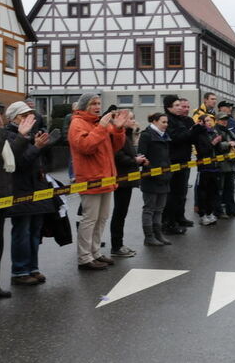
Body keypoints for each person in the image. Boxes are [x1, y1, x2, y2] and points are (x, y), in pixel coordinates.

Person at [69, 94, 128, 270]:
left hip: (106, 177)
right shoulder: (77, 123)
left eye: (98, 103)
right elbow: (86, 147)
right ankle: (84, 257)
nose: (97, 106)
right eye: (93, 103)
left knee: (101, 218)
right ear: (84, 106)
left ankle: (95, 252)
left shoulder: (98, 123)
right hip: (90, 179)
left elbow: (115, 147)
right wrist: (102, 127)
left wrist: (117, 130)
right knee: (90, 219)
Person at [3, 102, 55, 286]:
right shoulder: (10, 136)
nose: (28, 119)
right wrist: (36, 147)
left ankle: (33, 268)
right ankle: (19, 271)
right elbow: (17, 164)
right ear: (13, 118)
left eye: (30, 115)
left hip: (37, 188)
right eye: (23, 116)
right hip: (21, 190)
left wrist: (44, 145)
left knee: (34, 231)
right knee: (22, 232)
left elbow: (41, 162)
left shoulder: (32, 134)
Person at [0, 107, 32, 296]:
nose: (0, 118)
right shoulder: (2, 134)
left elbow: (12, 155)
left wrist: (21, 136)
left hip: (3, 194)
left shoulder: (2, 135)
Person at [110, 111, 147, 257]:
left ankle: (119, 244)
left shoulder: (127, 134)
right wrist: (135, 161)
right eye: (130, 119)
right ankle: (116, 246)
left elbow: (129, 152)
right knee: (119, 213)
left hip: (127, 178)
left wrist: (136, 157)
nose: (133, 121)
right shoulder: (119, 135)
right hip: (121, 178)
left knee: (121, 213)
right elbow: (118, 155)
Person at [139, 113, 172, 246]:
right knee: (149, 208)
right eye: (163, 122)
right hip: (151, 178)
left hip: (164, 177)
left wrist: (167, 173)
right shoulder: (146, 135)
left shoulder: (164, 136)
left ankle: (158, 234)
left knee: (159, 209)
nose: (166, 125)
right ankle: (149, 236)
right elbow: (142, 156)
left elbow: (167, 157)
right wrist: (152, 170)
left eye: (166, 122)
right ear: (154, 121)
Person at [162, 96, 194, 235]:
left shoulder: (182, 120)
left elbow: (187, 137)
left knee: (181, 193)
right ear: (169, 107)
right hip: (173, 161)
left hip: (184, 160)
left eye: (183, 106)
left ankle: (179, 217)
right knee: (172, 194)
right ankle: (169, 223)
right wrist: (191, 132)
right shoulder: (168, 120)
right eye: (177, 105)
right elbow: (175, 138)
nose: (181, 108)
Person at [191, 115, 223, 225]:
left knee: (213, 191)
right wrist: (214, 142)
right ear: (202, 122)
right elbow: (203, 151)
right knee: (202, 192)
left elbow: (218, 150)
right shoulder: (199, 134)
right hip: (204, 167)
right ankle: (202, 214)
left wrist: (220, 143)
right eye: (207, 121)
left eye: (211, 121)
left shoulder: (214, 133)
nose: (210, 123)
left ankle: (210, 213)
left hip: (215, 166)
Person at [214, 114, 235, 218]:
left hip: (230, 164)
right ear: (217, 120)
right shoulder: (215, 131)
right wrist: (229, 144)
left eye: (226, 120)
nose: (224, 121)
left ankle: (231, 210)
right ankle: (219, 212)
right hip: (220, 164)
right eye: (222, 119)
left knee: (230, 189)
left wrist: (233, 143)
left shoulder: (229, 131)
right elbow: (217, 146)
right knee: (219, 190)